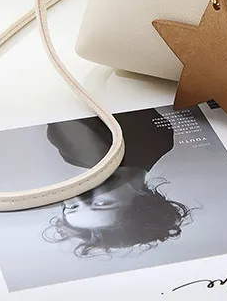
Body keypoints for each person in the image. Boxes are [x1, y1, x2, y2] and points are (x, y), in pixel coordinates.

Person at [42, 108, 192, 257]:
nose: (79, 197)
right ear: (142, 197)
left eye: (72, 207)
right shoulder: (157, 140)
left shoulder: (71, 156)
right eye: (101, 204)